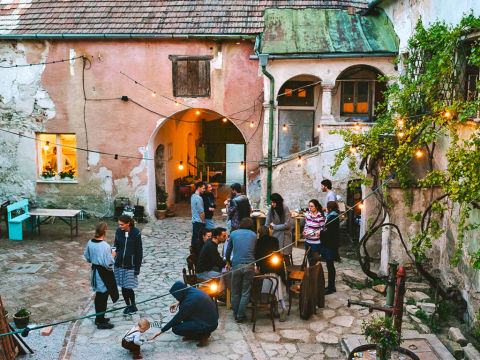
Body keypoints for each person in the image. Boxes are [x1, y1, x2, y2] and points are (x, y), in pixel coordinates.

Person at [147, 281, 218, 347]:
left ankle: (202, 335)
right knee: (185, 319)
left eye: (176, 296)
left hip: (208, 325)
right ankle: (200, 332)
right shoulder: (191, 290)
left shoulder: (188, 304)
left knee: (176, 328)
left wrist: (160, 331)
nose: (176, 298)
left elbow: (176, 319)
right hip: (210, 320)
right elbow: (189, 300)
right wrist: (178, 303)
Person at [84, 222, 119, 329]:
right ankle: (100, 321)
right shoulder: (105, 246)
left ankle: (99, 317)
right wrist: (113, 255)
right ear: (105, 231)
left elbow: (87, 256)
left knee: (99, 296)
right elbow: (108, 263)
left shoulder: (90, 242)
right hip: (103, 274)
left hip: (95, 272)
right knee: (102, 296)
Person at [225, 218, 256, 323]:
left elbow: (228, 250)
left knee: (235, 291)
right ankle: (240, 315)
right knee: (245, 292)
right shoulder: (253, 235)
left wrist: (228, 262)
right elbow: (254, 251)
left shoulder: (233, 234)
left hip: (237, 264)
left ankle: (235, 313)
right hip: (249, 264)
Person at [255, 226, 287, 321]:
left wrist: (257, 266)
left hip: (267, 269)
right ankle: (279, 309)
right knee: (278, 289)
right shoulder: (274, 240)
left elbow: (258, 256)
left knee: (271, 291)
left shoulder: (259, 242)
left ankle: (278, 310)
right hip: (278, 268)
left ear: (260, 233)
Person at [114, 214, 143, 315]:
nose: (120, 227)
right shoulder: (118, 232)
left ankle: (133, 305)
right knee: (123, 287)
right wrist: (113, 257)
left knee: (128, 287)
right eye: (119, 225)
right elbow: (115, 246)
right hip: (119, 264)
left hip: (130, 265)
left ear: (128, 224)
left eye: (122, 225)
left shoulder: (136, 233)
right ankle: (128, 305)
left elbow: (139, 251)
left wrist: (137, 267)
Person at [321, 201, 340, 294]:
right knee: (330, 266)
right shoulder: (332, 216)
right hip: (330, 244)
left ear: (330, 208)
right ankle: (331, 286)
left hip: (330, 245)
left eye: (327, 207)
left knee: (330, 266)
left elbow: (328, 232)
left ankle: (331, 287)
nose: (326, 208)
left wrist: (320, 233)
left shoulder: (333, 217)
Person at [191, 182, 206, 252]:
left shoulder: (193, 196)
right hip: (199, 221)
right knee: (199, 239)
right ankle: (197, 253)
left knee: (194, 238)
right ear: (199, 188)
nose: (204, 190)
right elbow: (201, 212)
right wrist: (203, 221)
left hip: (194, 220)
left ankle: (193, 252)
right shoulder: (199, 198)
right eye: (203, 188)